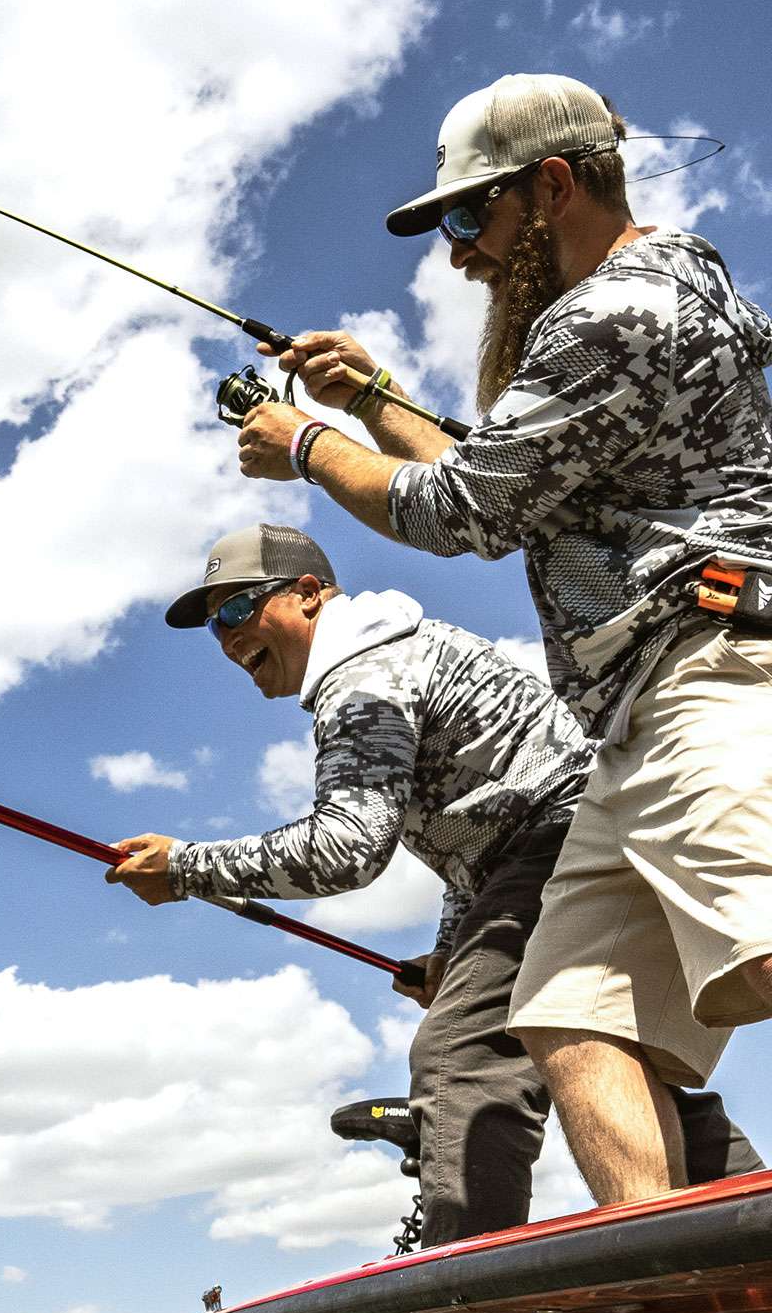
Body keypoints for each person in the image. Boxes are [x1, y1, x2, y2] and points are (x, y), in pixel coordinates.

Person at [231, 73, 772, 1207]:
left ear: (553, 186)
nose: (460, 251)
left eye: (473, 214)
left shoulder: (618, 310)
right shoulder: (629, 310)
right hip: (630, 724)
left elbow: (460, 512)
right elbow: (508, 482)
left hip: (713, 668)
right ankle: (676, 1274)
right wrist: (371, 397)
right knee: (568, 1015)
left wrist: (307, 446)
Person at [107, 522, 759, 1246]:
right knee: (608, 1062)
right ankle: (746, 1238)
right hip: (595, 832)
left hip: (558, 844)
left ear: (309, 594)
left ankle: (464, 1285)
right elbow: (477, 834)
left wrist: (186, 867)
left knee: (461, 1058)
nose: (228, 637)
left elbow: (347, 849)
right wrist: (452, 948)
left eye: (238, 608)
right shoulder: (395, 650)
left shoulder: (363, 678)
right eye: (213, 626)